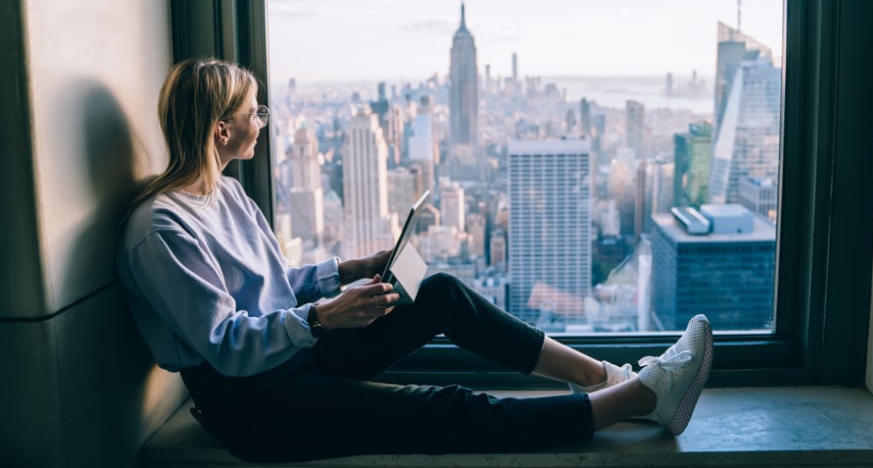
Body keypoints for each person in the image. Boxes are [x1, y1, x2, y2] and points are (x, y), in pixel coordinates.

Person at [118, 57, 713, 463]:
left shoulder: (225, 191)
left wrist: (347, 272)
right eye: (256, 113)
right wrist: (325, 318)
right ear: (223, 129)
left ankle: (604, 377)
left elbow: (273, 285)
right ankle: (643, 398)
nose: (263, 122)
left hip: (291, 360)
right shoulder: (162, 227)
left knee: (438, 289)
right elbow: (224, 343)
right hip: (255, 404)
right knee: (441, 409)